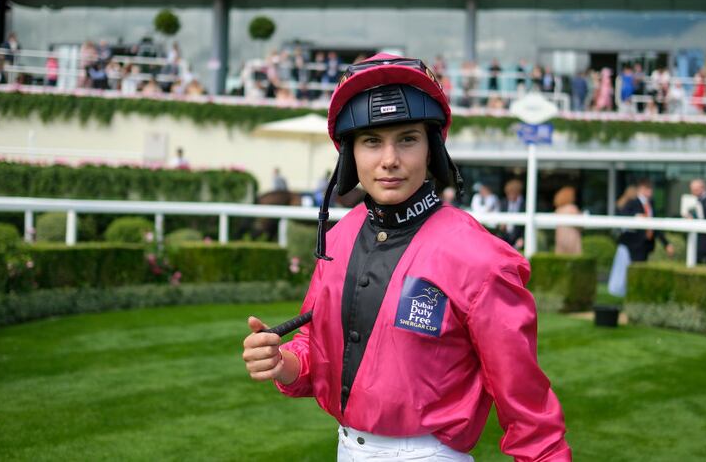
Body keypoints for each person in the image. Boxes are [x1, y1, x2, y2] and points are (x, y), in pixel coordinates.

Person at [242, 54, 571, 461]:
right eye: (372, 141)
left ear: (432, 149)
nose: (389, 159)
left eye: (408, 139)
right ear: (350, 154)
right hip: (346, 448)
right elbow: (316, 344)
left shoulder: (480, 258)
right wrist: (282, 360)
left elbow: (529, 409)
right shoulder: (340, 236)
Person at [618, 179, 674, 263]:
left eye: (651, 188)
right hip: (633, 245)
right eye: (648, 188)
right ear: (641, 189)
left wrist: (666, 244)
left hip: (646, 245)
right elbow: (622, 216)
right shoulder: (633, 202)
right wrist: (636, 217)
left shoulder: (651, 204)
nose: (650, 191)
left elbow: (655, 226)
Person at [608, 185, 637, 297]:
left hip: (622, 242)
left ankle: (617, 289)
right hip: (627, 241)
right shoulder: (629, 206)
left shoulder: (620, 204)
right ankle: (619, 289)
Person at [683, 179, 706, 265]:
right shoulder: (695, 200)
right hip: (697, 240)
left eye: (695, 190)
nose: (693, 192)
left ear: (702, 188)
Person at [553, 186, 581, 255]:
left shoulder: (558, 210)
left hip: (560, 240)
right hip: (572, 239)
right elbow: (580, 225)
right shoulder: (572, 208)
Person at [498, 179, 525, 251]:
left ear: (518, 193)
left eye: (512, 193)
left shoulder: (524, 204)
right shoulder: (504, 203)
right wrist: (501, 226)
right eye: (508, 194)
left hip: (519, 238)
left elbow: (525, 226)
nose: (509, 196)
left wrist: (523, 238)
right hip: (505, 237)